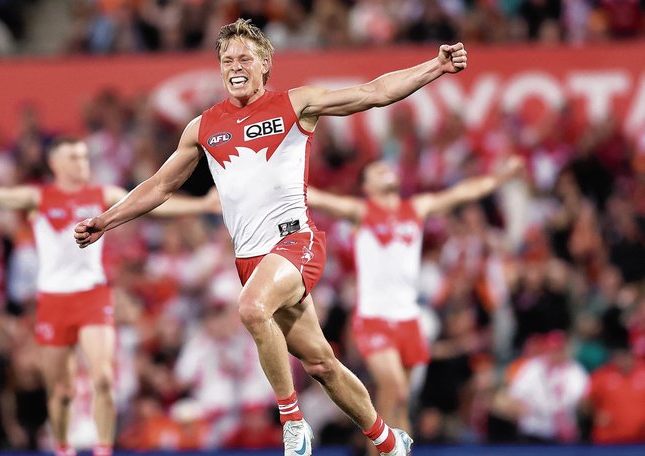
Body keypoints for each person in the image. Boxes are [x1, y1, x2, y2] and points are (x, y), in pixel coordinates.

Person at [74, 18, 468, 456]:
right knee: (321, 363)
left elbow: (373, 93)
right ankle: (389, 439)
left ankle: (293, 424)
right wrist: (105, 220)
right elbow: (160, 186)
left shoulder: (296, 104)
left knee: (250, 307)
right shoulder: (202, 128)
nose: (234, 66)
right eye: (226, 60)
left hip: (296, 242)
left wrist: (434, 67)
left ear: (265, 64)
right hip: (251, 260)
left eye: (244, 57)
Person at [0, 137, 217, 456]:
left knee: (103, 378)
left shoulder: (101, 195)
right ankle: (63, 448)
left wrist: (201, 204)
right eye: (73, 158)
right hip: (54, 300)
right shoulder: (38, 197)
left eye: (83, 157)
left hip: (92, 294)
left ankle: (103, 449)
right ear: (55, 164)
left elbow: (151, 200)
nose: (82, 163)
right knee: (61, 389)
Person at [306, 156, 523, 440]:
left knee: (403, 400)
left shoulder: (416, 209)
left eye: (386, 168)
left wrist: (500, 178)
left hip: (408, 318)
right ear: (367, 187)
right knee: (392, 387)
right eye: (376, 171)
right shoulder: (361, 211)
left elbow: (461, 193)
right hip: (374, 317)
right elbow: (317, 198)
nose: (385, 170)